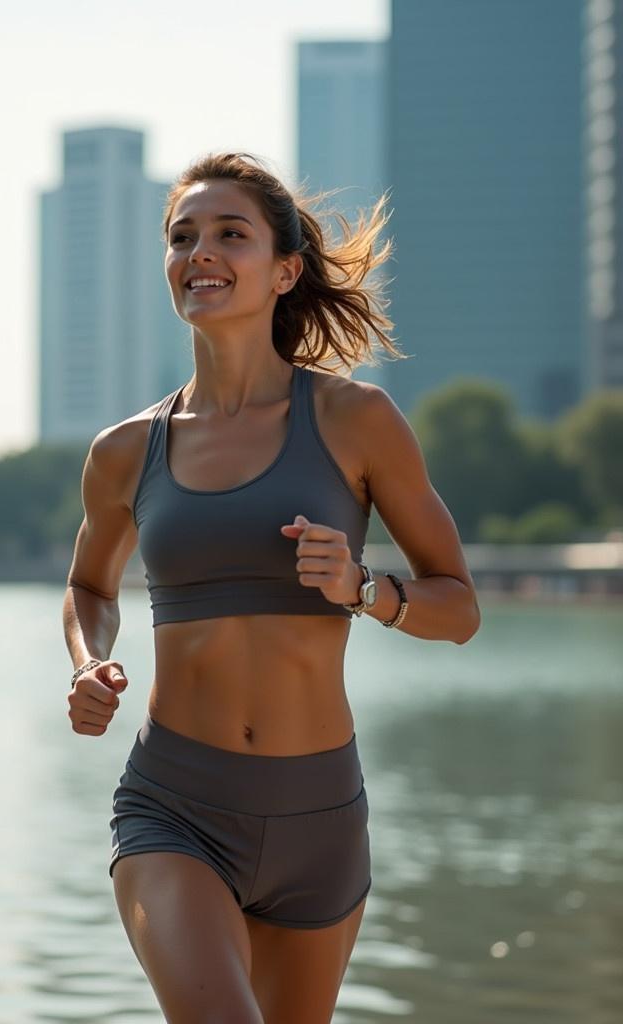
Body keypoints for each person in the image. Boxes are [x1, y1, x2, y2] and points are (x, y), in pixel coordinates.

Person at [63, 151, 480, 1023]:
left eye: (229, 234)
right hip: (173, 806)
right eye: (182, 237)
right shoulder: (123, 450)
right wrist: (87, 661)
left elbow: (460, 607)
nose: (199, 252)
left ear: (284, 270)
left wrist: (366, 588)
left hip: (319, 816)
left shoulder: (357, 420)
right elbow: (90, 587)